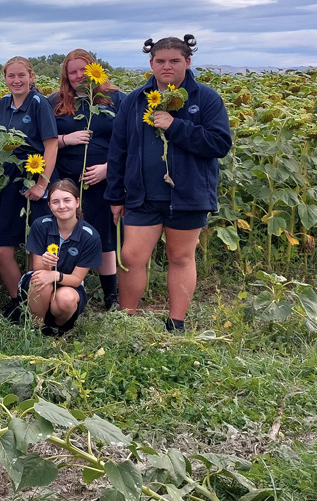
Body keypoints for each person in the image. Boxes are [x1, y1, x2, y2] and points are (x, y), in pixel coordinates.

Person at [105, 35, 232, 333]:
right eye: (160, 61)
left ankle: (177, 323)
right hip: (142, 194)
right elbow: (118, 148)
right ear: (151, 64)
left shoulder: (205, 99)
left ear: (187, 63)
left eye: (174, 61)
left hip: (188, 194)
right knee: (131, 257)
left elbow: (219, 143)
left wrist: (175, 126)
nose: (167, 67)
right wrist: (115, 195)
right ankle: (128, 320)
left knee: (180, 257)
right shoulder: (135, 100)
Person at [0, 56, 59, 322]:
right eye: (11, 76)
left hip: (37, 174)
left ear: (31, 76)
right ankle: (19, 300)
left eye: (21, 76)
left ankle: (36, 306)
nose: (16, 81)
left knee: (35, 248)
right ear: (4, 78)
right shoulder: (4, 104)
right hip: (11, 178)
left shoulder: (39, 104)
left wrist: (42, 184)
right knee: (1, 246)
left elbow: (51, 145)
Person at [49, 49, 125, 310]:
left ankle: (111, 296)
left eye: (85, 70)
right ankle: (64, 289)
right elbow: (41, 140)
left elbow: (127, 142)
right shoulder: (55, 103)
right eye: (73, 72)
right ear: (66, 76)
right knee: (67, 234)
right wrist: (64, 140)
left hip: (103, 180)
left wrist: (108, 168)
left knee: (104, 237)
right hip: (66, 181)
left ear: (95, 70)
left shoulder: (115, 100)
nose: (80, 76)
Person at [20, 179, 101, 336]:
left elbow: (77, 279)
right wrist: (45, 263)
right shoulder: (40, 225)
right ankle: (36, 329)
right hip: (40, 280)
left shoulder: (90, 236)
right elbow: (37, 268)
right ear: (49, 205)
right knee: (40, 281)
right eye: (55, 202)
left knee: (66, 299)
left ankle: (57, 328)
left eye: (67, 200)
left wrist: (55, 275)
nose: (62, 206)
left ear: (77, 202)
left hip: (70, 284)